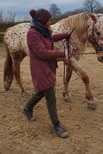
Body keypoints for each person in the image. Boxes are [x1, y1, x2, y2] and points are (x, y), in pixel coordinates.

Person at [22, 8, 71, 138]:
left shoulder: (42, 30)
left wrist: (65, 35)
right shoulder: (32, 33)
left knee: (42, 92)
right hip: (40, 69)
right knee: (50, 97)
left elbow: (51, 38)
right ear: (43, 20)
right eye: (48, 19)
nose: (50, 21)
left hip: (47, 66)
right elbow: (42, 53)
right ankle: (56, 125)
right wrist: (62, 53)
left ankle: (27, 108)